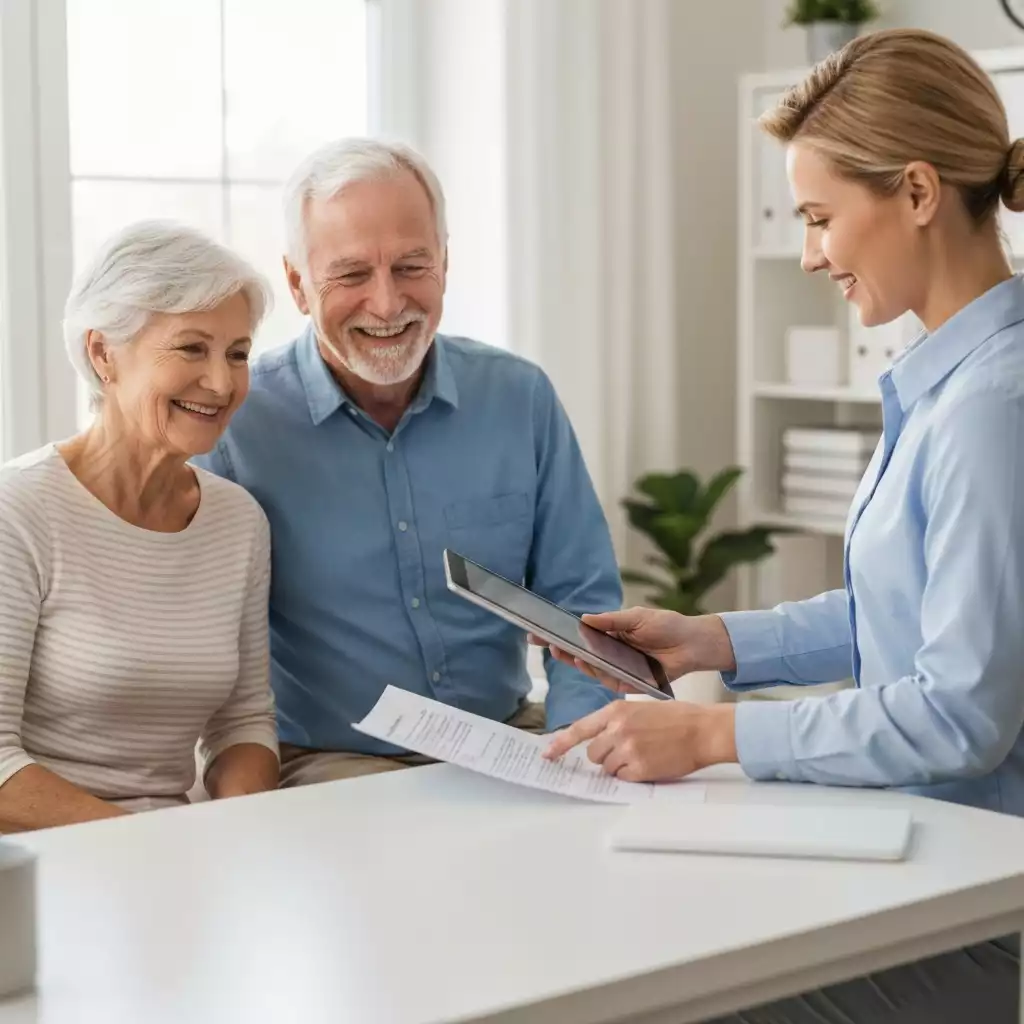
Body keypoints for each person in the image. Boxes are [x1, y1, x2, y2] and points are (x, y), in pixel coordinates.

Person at [541, 28, 1024, 1024]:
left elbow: (963, 712)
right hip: (935, 850)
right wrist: (711, 638)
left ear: (919, 194)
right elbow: (907, 611)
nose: (808, 254)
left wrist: (713, 729)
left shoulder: (990, 409)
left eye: (819, 217)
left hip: (986, 894)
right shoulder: (950, 388)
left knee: (679, 991)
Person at [193, 137, 621, 786]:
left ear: (445, 263)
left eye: (412, 266)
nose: (388, 304)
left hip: (512, 742)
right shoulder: (239, 424)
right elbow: (207, 652)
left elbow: (580, 601)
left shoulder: (518, 397)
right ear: (298, 285)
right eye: (352, 274)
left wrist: (578, 755)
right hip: (328, 766)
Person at [0, 221, 280, 832]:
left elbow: (242, 725)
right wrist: (147, 846)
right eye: (191, 348)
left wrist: (241, 837)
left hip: (177, 857)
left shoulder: (239, 524)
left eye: (237, 353)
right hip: (43, 861)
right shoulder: (18, 511)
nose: (222, 382)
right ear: (104, 354)